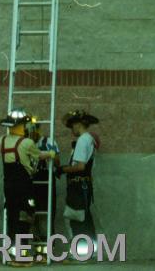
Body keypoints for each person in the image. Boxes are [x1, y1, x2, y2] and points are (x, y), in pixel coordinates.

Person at [0, 108, 57, 267]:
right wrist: (51, 154)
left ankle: (12, 255)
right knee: (25, 219)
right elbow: (39, 155)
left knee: (12, 219)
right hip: (24, 186)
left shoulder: (2, 140)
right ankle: (22, 257)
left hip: (8, 187)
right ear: (21, 126)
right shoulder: (27, 143)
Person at [59, 109, 100, 256]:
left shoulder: (83, 140)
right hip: (83, 185)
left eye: (72, 126)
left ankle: (81, 253)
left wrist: (63, 169)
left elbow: (80, 166)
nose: (72, 129)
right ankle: (92, 252)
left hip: (78, 185)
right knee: (85, 218)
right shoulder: (88, 139)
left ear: (79, 124)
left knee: (77, 218)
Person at [28, 117, 61, 251]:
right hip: (31, 180)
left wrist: (51, 154)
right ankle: (36, 246)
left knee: (48, 213)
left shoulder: (48, 141)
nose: (31, 133)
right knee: (32, 213)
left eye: (33, 129)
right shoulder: (26, 143)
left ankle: (47, 248)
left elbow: (58, 161)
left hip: (46, 178)